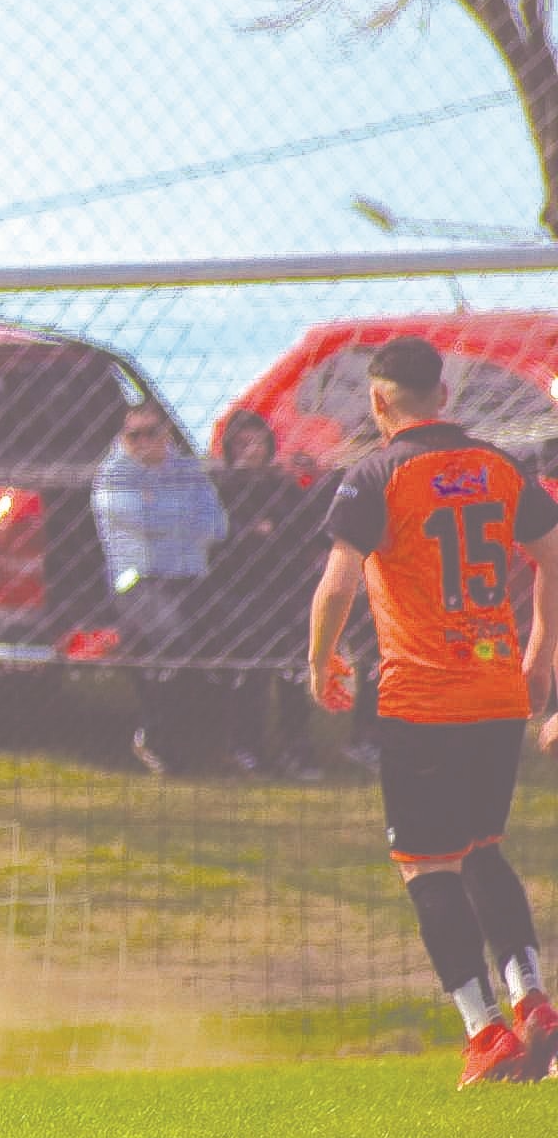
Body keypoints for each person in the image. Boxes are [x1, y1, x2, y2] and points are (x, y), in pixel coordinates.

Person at [307, 335, 558, 1088]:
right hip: (496, 691)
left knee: (427, 865)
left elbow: (337, 584)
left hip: (423, 697)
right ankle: (535, 1001)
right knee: (482, 847)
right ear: (444, 396)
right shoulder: (499, 466)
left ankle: (486, 1032)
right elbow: (553, 556)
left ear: (377, 402)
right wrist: (540, 652)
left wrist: (320, 662)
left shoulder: (375, 474)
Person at [90, 399, 228, 774]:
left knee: (224, 635)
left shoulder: (188, 470)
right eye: (133, 435)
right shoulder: (114, 473)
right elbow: (136, 519)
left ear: (167, 433)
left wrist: (160, 512)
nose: (142, 442)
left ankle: (208, 738)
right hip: (137, 579)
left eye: (151, 433)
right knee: (171, 636)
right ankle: (153, 734)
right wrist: (181, 516)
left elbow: (217, 525)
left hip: (189, 576)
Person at [204, 411, 321, 778]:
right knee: (250, 670)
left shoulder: (282, 485)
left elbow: (305, 529)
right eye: (242, 443)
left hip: (287, 586)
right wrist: (254, 531)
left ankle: (296, 748)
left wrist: (270, 528)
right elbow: (219, 539)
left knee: (293, 669)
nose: (251, 450)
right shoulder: (220, 487)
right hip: (239, 589)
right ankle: (245, 746)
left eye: (257, 441)